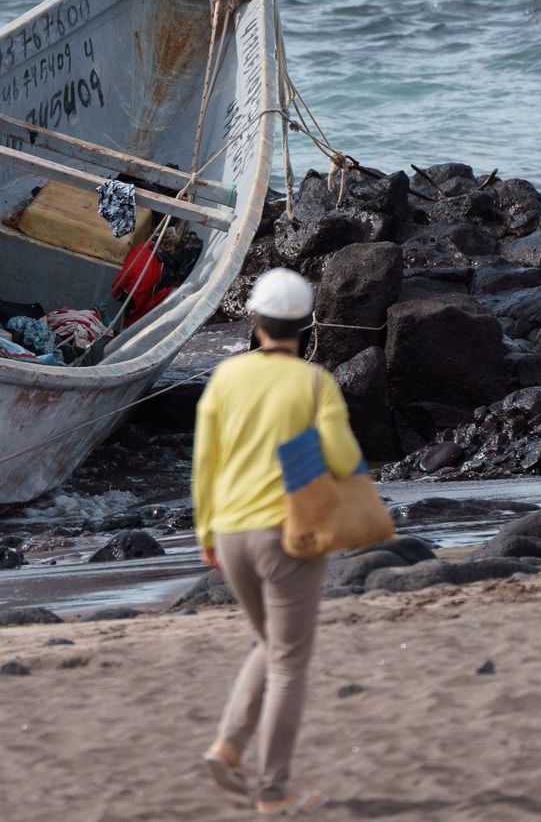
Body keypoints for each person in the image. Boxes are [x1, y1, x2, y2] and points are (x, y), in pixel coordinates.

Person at [192, 267, 363, 814]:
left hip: (231, 534)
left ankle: (227, 746)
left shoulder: (225, 378)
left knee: (271, 645)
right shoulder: (315, 382)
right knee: (290, 662)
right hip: (287, 535)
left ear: (256, 322)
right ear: (307, 325)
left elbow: (204, 463)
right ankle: (273, 791)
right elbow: (341, 457)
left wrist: (205, 531)